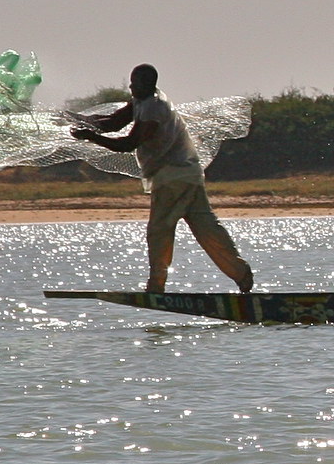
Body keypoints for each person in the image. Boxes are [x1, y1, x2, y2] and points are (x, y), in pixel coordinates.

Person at [70, 64, 254, 294]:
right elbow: (114, 122)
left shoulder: (155, 108)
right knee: (205, 226)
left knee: (159, 230)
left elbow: (129, 143)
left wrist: (91, 137)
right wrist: (82, 122)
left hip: (172, 178)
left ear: (148, 84)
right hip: (188, 175)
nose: (130, 87)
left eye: (135, 83)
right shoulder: (141, 101)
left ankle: (156, 287)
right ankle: (241, 273)